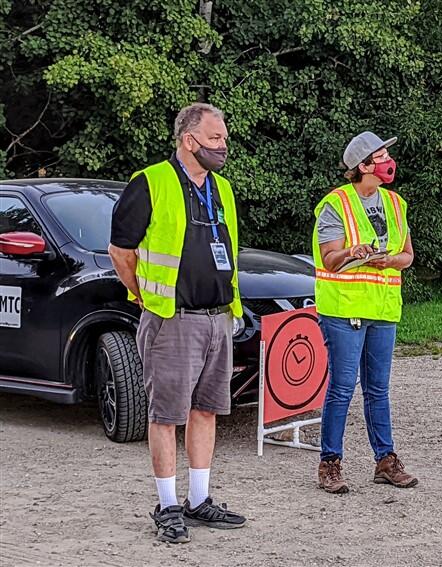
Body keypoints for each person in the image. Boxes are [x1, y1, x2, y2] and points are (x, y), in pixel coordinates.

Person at [109, 103, 246, 543]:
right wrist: (141, 293)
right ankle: (167, 505)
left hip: (218, 316)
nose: (223, 146)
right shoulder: (149, 183)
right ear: (190, 141)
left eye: (223, 138)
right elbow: (120, 251)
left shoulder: (221, 188)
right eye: (215, 139)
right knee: (166, 415)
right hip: (172, 318)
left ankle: (199, 499)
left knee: (206, 410)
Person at [312, 131, 417, 494]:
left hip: (383, 308)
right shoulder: (335, 204)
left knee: (378, 389)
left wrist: (389, 260)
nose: (388, 160)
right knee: (342, 388)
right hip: (343, 308)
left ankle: (385, 461)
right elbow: (329, 258)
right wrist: (352, 253)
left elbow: (407, 256)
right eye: (382, 154)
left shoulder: (395, 203)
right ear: (364, 165)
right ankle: (330, 463)